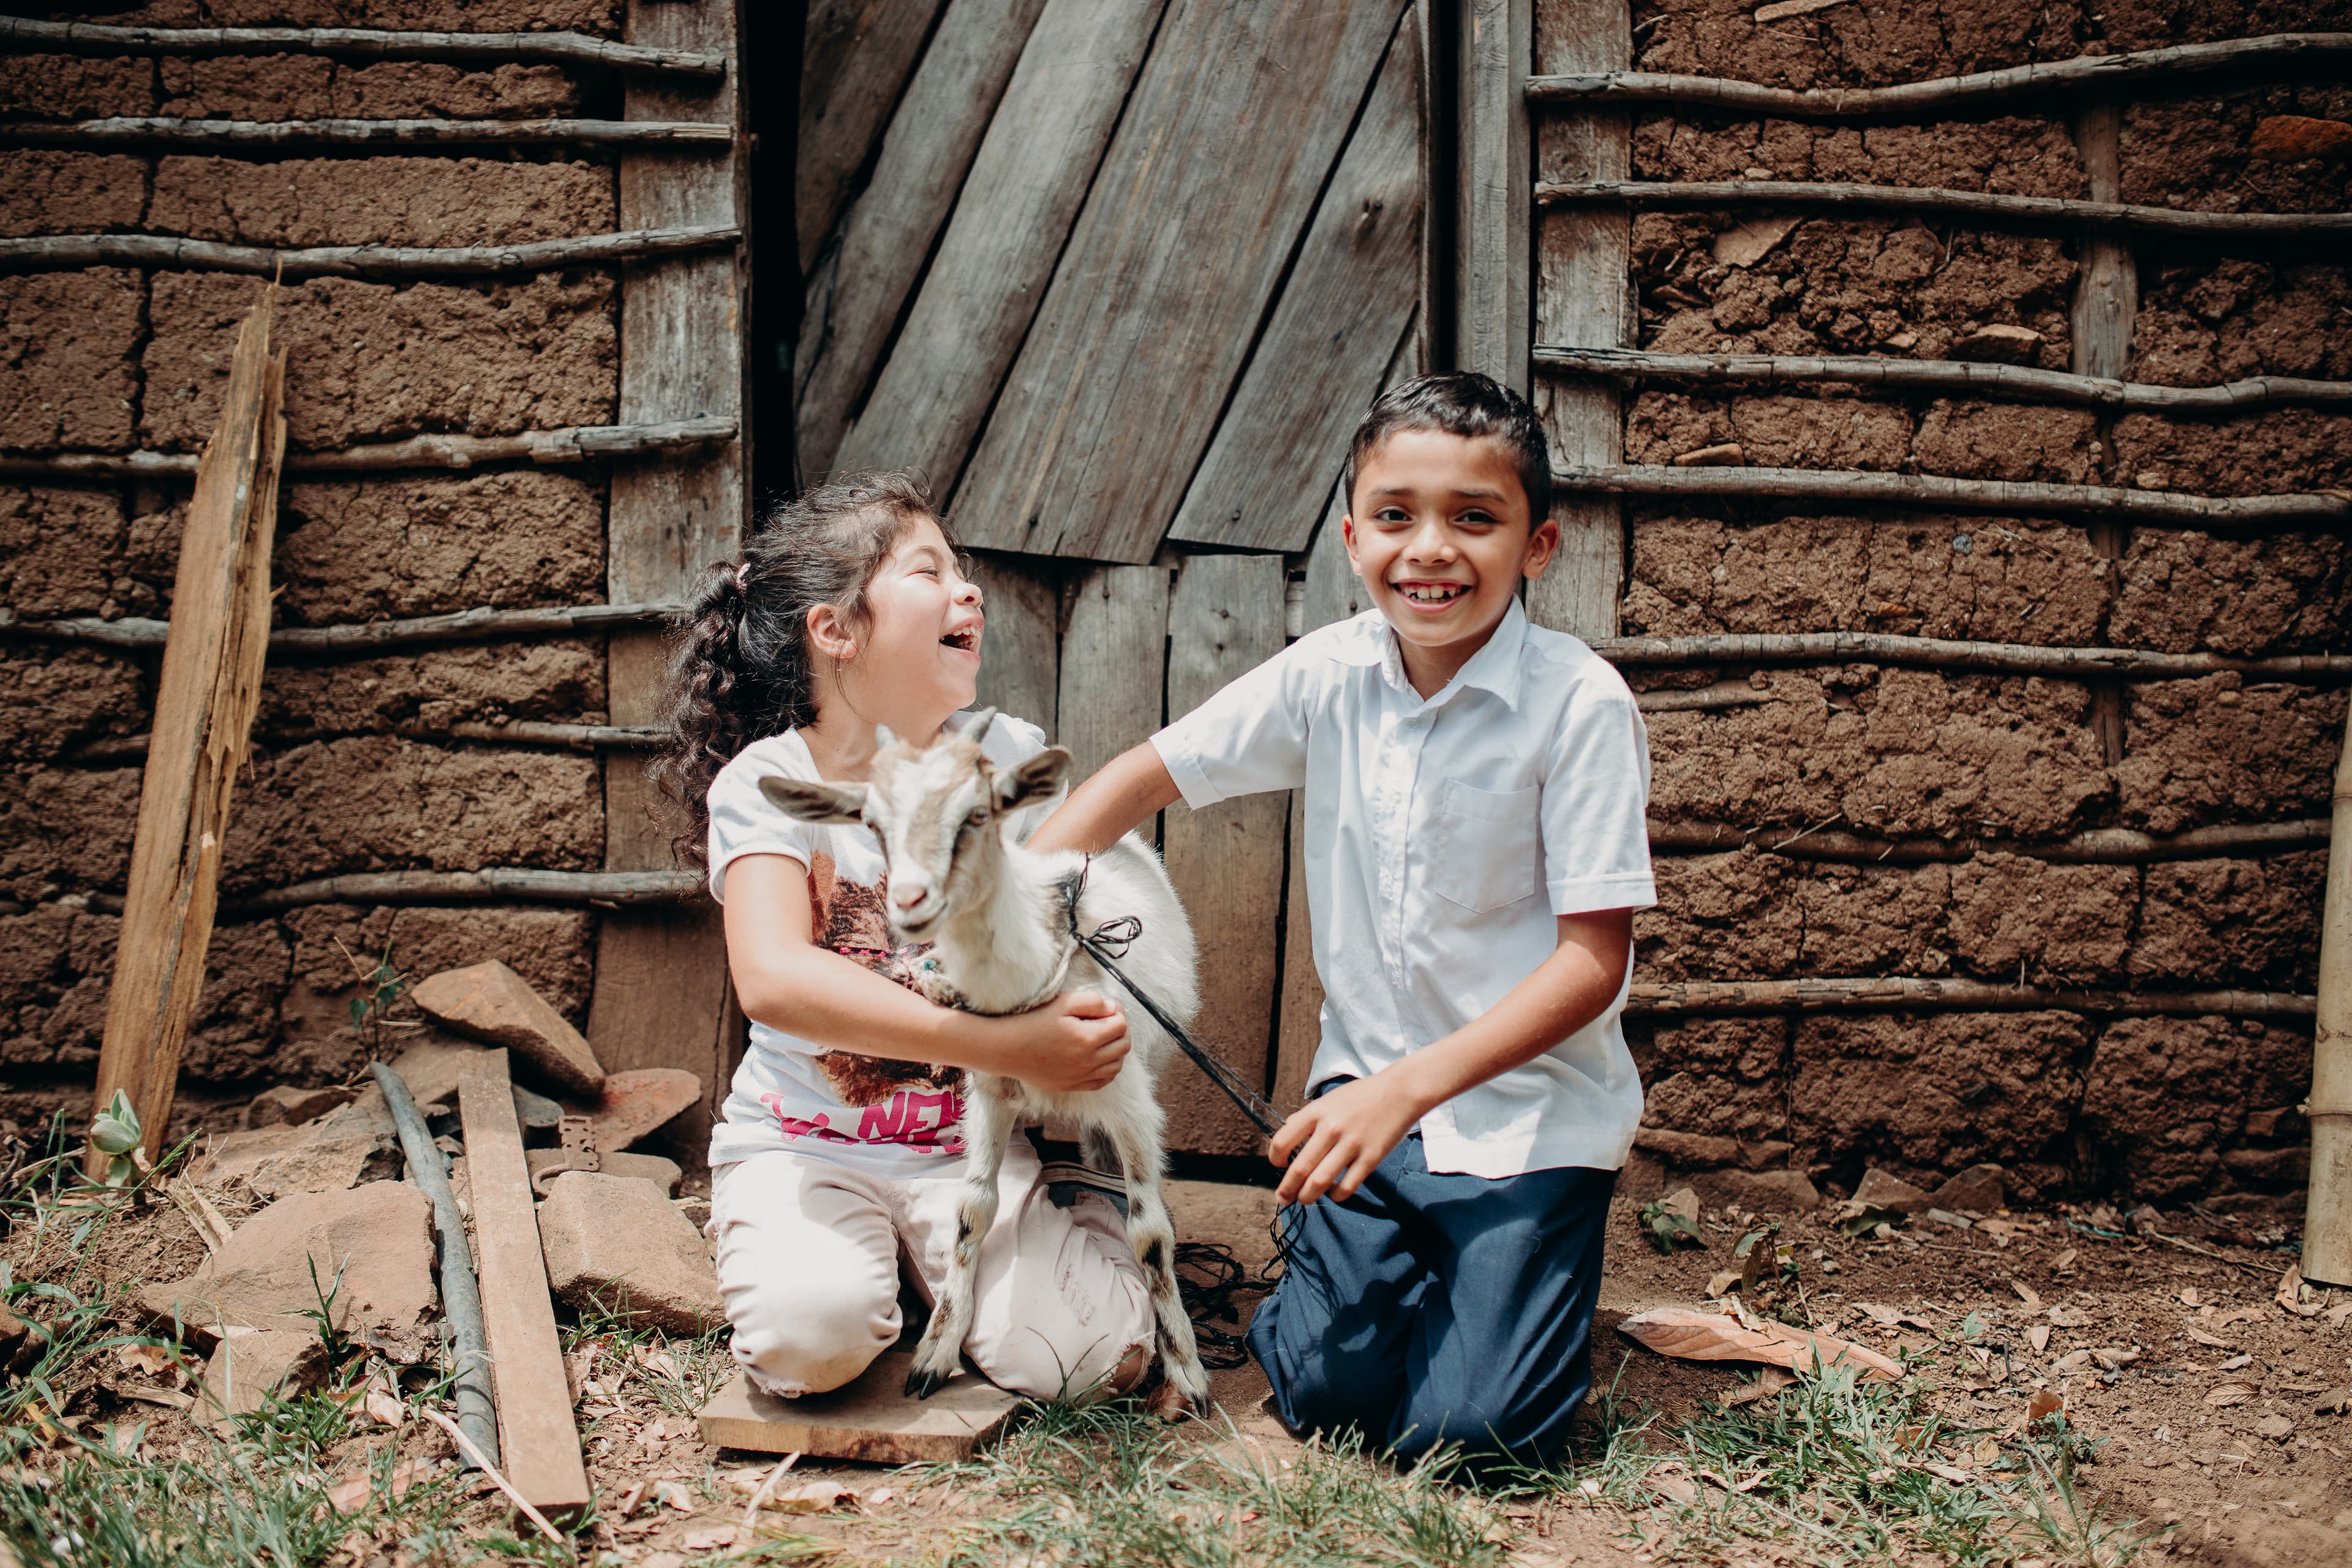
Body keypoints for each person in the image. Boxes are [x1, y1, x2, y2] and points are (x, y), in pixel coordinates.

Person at [1030, 373, 1654, 1466]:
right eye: (1398, 516)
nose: (1431, 550)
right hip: (1361, 1110)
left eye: (1475, 518)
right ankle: (1393, 1282)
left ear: (1538, 545)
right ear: (1354, 533)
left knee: (1475, 1439)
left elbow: (1593, 964)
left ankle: (1499, 1293)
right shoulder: (1331, 672)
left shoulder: (1581, 704)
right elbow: (1150, 771)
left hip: (1528, 1125)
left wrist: (1403, 1092)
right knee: (1322, 1396)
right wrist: (1031, 893)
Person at [655, 473, 1156, 1403]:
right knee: (813, 1343)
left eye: (963, 573)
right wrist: (1000, 1044)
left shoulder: (1005, 752)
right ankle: (854, 1263)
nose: (968, 590)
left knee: (1087, 1365)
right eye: (930, 571)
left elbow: (1054, 922)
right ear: (835, 630)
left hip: (964, 1147)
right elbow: (773, 978)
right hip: (802, 1145)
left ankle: (1065, 1214)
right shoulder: (770, 782)